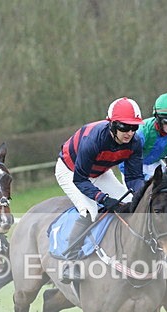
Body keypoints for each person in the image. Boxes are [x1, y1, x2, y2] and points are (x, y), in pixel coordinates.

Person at [55, 97, 145, 282]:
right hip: (71, 170)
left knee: (130, 205)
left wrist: (142, 194)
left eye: (133, 127)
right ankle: (70, 262)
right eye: (124, 127)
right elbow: (80, 179)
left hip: (100, 172)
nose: (129, 133)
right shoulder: (93, 139)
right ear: (112, 124)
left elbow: (134, 178)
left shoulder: (135, 143)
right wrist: (103, 198)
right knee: (90, 210)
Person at [119, 92, 167, 180]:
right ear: (158, 118)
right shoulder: (141, 132)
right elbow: (123, 163)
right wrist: (144, 178)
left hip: (155, 164)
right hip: (133, 165)